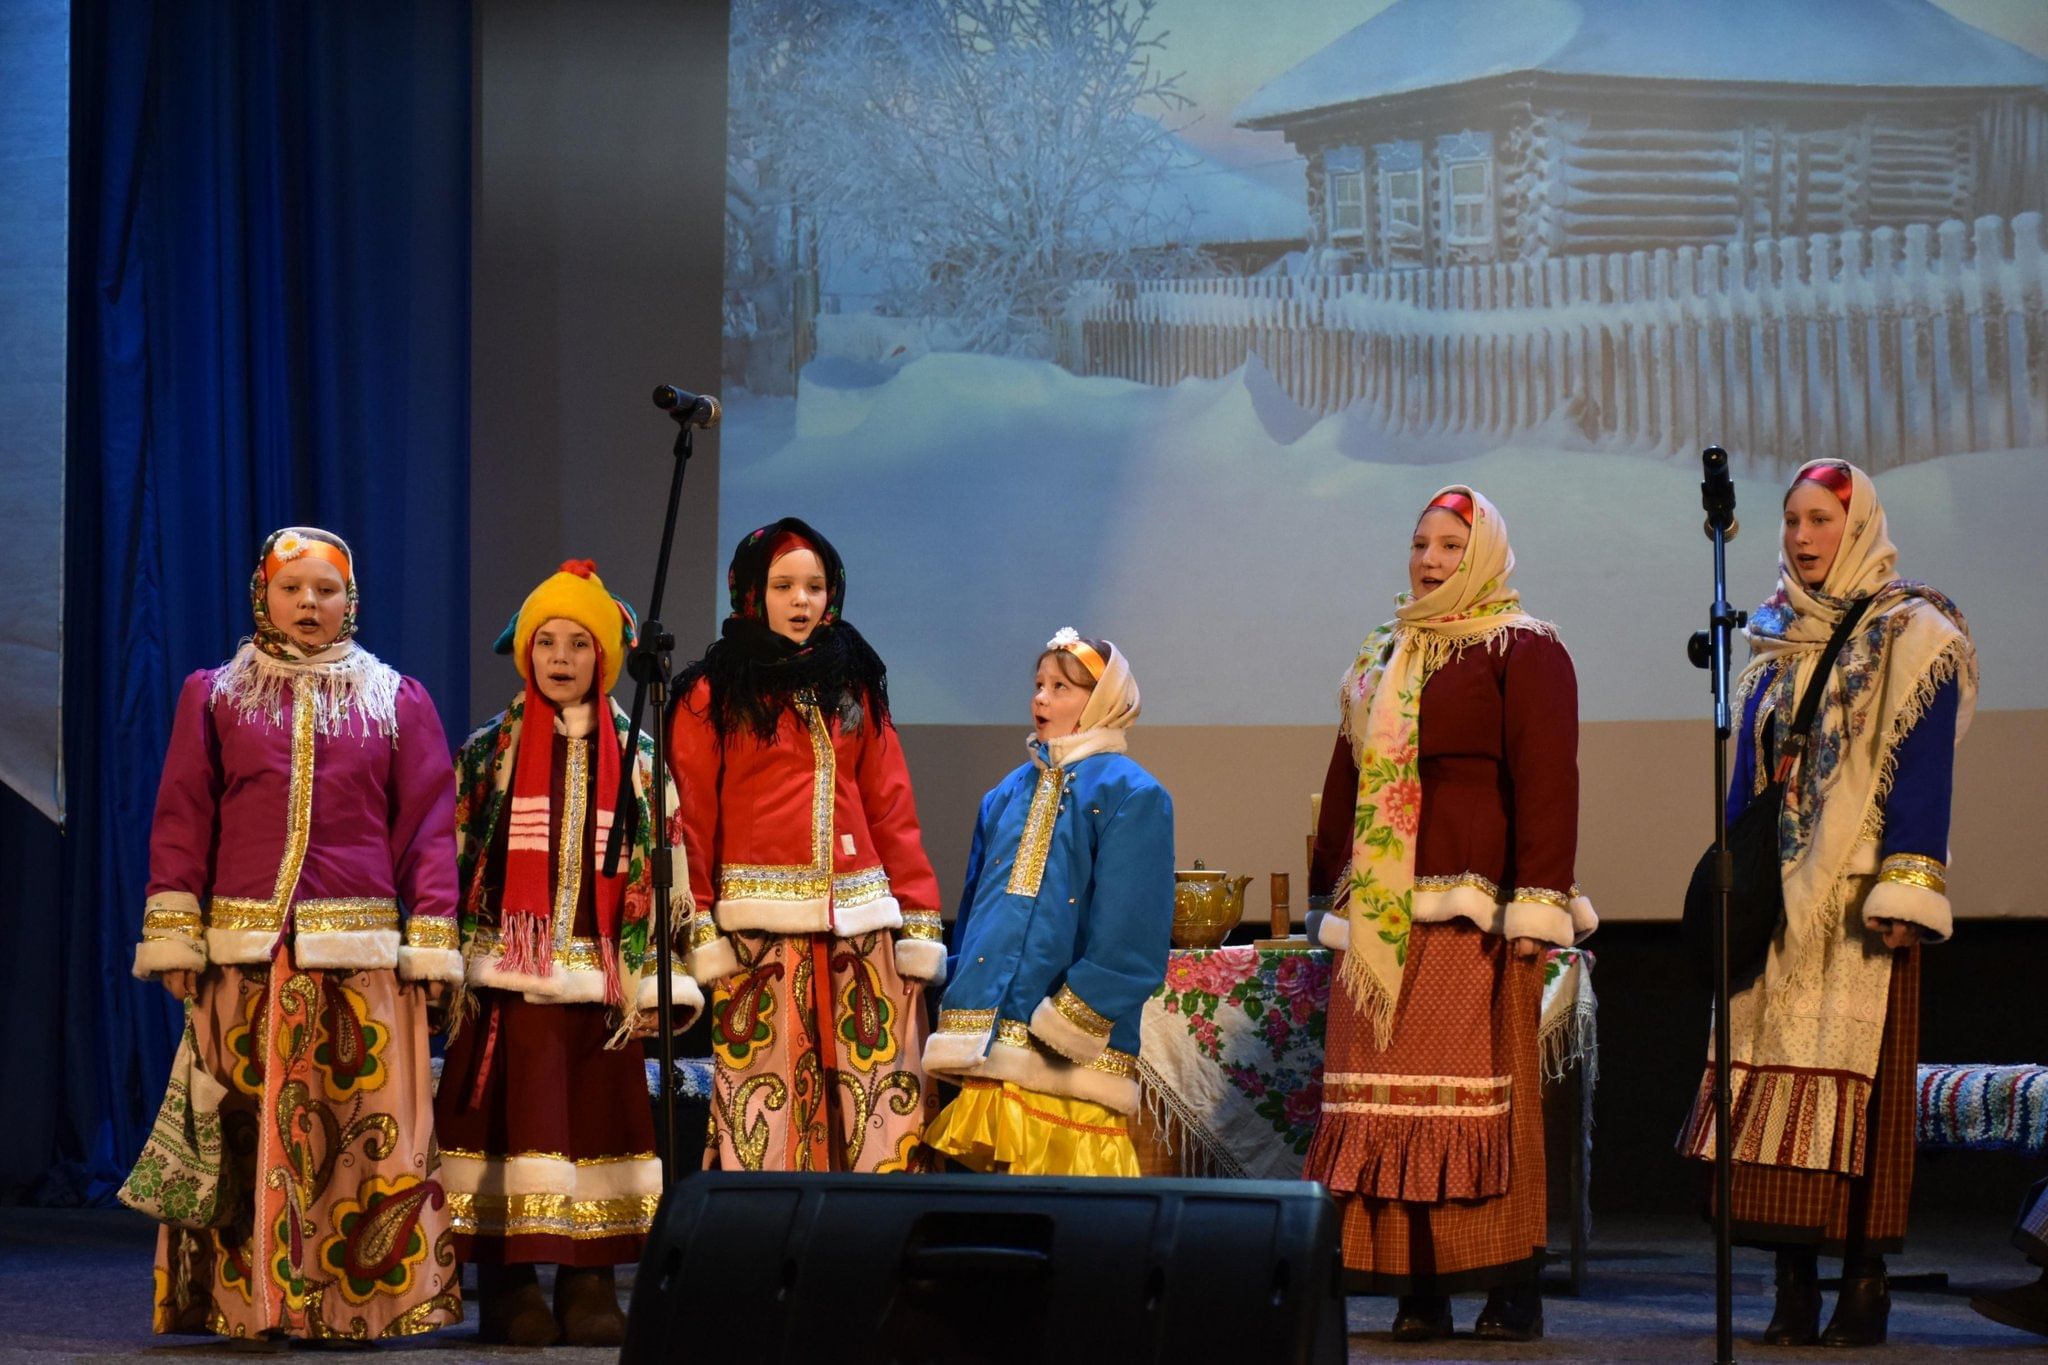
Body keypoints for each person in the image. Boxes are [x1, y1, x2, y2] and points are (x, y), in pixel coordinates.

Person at [131, 527, 464, 1344]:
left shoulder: (397, 698)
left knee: (359, 1140)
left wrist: (429, 949)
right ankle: (252, 1305)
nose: (309, 604)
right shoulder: (215, 695)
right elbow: (183, 817)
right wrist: (179, 937)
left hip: (361, 962)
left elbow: (426, 829)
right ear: (264, 596)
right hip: (246, 957)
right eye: (293, 589)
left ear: (352, 599)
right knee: (245, 1126)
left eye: (326, 589)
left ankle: (352, 1304)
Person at [1677, 459, 1975, 1349]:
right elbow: (1749, 782)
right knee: (1766, 1095)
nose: (1803, 538)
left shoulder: (1914, 632)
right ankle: (1792, 1284)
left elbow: (1925, 768)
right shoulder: (1772, 638)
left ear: (1857, 526)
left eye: (1821, 521)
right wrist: (1730, 886)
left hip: (1855, 904)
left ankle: (1865, 1287)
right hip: (1774, 907)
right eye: (1793, 521)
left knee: (1861, 1099)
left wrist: (1910, 885)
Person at [1305, 486, 1593, 1343]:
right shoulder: (1379, 652)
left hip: (1475, 916)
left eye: (1449, 547)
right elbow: (1347, 777)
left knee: (1482, 1101)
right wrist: (1330, 890)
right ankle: (1414, 1282)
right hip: (1382, 917)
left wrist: (1539, 910)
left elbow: (1548, 782)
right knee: (1384, 1105)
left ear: (1484, 555)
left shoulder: (1524, 648)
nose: (1429, 560)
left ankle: (1509, 1286)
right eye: (1420, 543)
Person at [434, 560, 700, 1346]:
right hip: (506, 981)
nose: (558, 656)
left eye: (577, 642)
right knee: (505, 1130)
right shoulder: (490, 752)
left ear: (605, 656)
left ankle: (589, 1279)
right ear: (524, 652)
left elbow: (666, 866)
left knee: (594, 1126)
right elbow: (449, 857)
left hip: (600, 985)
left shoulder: (642, 758)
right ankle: (509, 1281)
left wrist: (656, 972)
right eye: (544, 640)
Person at [668, 517, 943, 1172]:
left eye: (814, 586)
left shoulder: (852, 684)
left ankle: (878, 1251)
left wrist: (918, 916)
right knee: (764, 1109)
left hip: (864, 933)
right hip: (757, 940)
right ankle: (766, 1252)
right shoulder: (714, 691)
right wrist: (700, 925)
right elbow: (692, 823)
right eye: (784, 584)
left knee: (880, 1106)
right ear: (751, 592)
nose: (801, 600)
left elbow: (891, 808)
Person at [922, 630, 1172, 1175]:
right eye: (1038, 684)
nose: (1041, 698)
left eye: (1062, 687)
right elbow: (974, 911)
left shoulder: (1131, 793)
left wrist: (1071, 1018)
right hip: (989, 1037)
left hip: (1063, 1046)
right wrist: (964, 989)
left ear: (1103, 700)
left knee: (1062, 1213)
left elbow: (1131, 933)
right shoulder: (1005, 793)